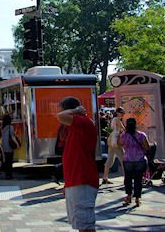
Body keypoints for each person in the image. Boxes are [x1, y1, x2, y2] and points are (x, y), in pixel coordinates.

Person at [56, 97, 99, 232]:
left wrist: (76, 111)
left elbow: (60, 116)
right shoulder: (77, 126)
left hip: (82, 180)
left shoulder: (82, 122)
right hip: (76, 181)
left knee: (85, 225)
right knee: (81, 223)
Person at [118, 117, 150, 207]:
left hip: (128, 159)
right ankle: (137, 198)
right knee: (138, 179)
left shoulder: (124, 135)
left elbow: (119, 144)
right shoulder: (141, 135)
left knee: (128, 179)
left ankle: (128, 196)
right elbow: (147, 147)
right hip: (139, 159)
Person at [102, 107, 126, 185]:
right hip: (116, 142)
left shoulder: (113, 119)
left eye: (123, 113)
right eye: (121, 112)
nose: (122, 114)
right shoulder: (117, 120)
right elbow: (124, 129)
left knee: (110, 159)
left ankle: (105, 177)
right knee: (123, 159)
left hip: (111, 141)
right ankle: (126, 178)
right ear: (118, 112)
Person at [1, 115, 19, 180]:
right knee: (10, 161)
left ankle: (7, 175)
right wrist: (17, 144)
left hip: (4, 145)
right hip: (9, 145)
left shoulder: (3, 127)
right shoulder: (10, 127)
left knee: (6, 161)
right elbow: (13, 137)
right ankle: (10, 175)